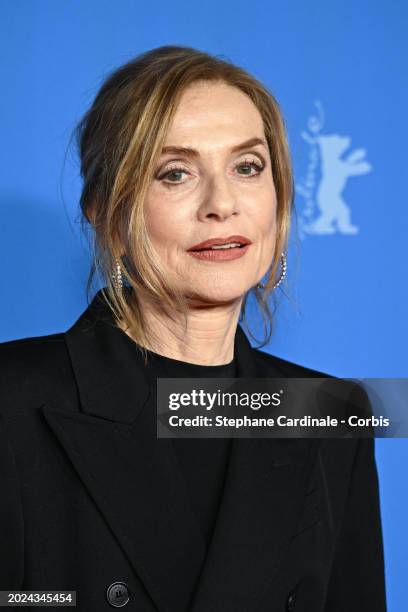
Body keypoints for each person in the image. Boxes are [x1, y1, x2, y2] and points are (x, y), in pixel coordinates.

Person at [0, 45, 386, 611]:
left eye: (248, 167)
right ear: (107, 212)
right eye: (175, 173)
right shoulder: (12, 401)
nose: (221, 204)